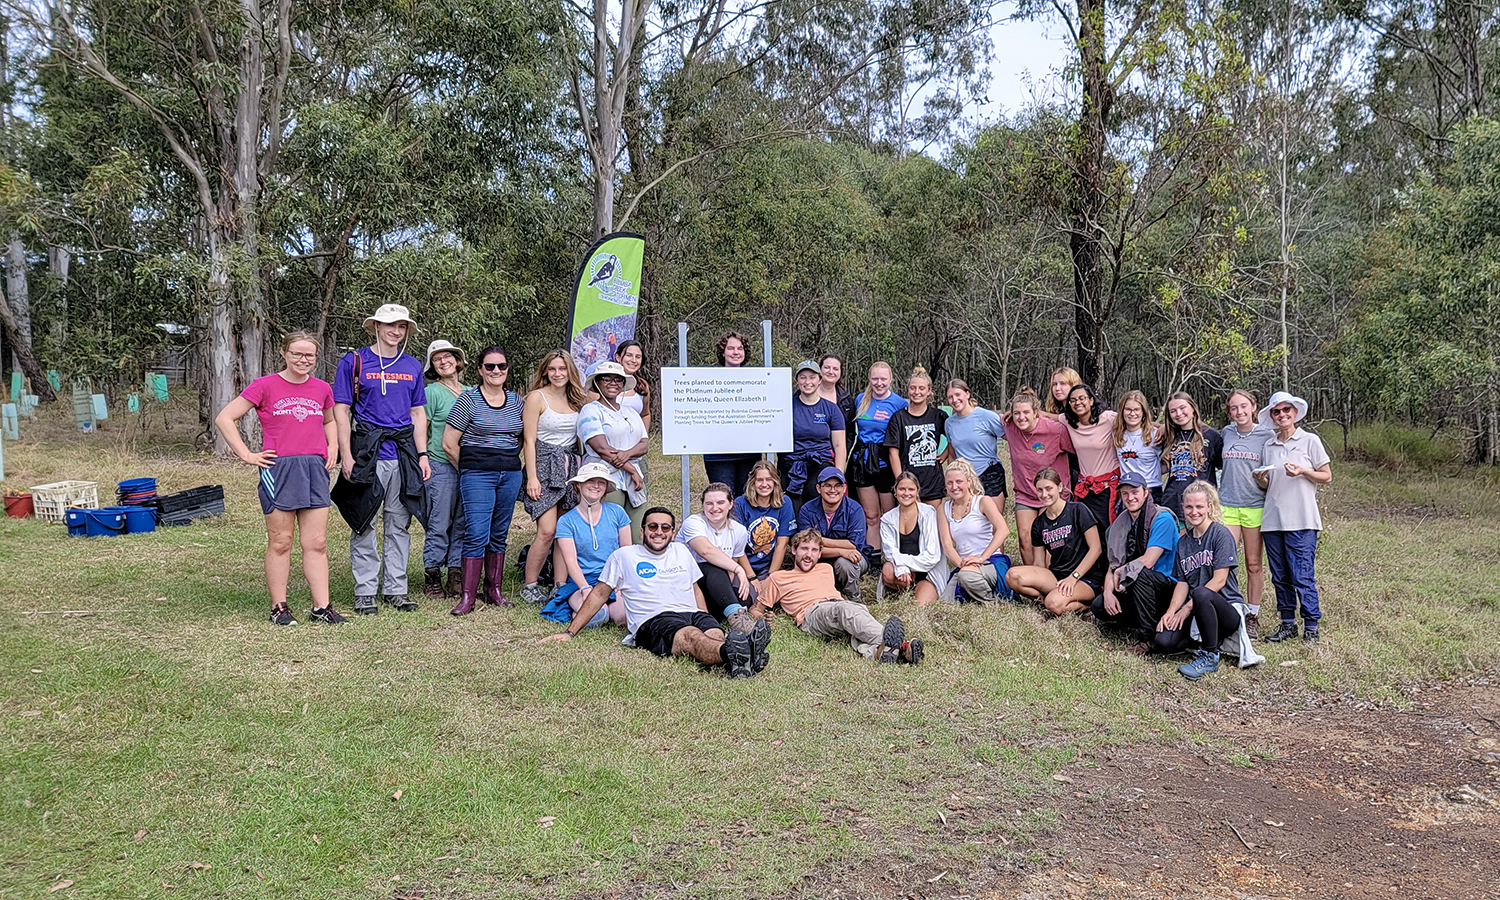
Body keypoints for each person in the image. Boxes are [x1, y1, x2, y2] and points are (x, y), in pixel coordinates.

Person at [537, 507, 772, 679]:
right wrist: (570, 632)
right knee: (690, 636)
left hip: (691, 612)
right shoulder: (624, 556)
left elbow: (695, 588)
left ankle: (740, 658)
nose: (658, 532)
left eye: (665, 527)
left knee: (713, 632)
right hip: (653, 620)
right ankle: (736, 652)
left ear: (672, 532)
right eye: (652, 526)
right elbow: (598, 594)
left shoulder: (682, 550)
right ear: (642, 531)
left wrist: (705, 617)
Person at [215, 331, 341, 626]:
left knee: (317, 542)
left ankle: (321, 608)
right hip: (279, 469)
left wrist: (332, 446)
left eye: (309, 355)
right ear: (284, 353)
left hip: (314, 469)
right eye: (296, 353)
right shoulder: (265, 386)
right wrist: (247, 454)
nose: (303, 359)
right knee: (281, 541)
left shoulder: (322, 388)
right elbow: (225, 418)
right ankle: (279, 607)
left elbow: (330, 419)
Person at [331, 303, 431, 615]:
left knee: (400, 522)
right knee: (364, 522)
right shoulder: (355, 361)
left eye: (401, 326)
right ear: (376, 326)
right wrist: (345, 454)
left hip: (403, 453)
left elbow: (417, 413)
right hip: (367, 452)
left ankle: (396, 589)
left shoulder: (413, 365)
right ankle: (365, 591)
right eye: (390, 325)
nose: (396, 331)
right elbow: (341, 410)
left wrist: (423, 454)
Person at [751, 529, 922, 664]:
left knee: (854, 623)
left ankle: (882, 653)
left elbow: (852, 548)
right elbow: (755, 610)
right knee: (846, 610)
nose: (808, 555)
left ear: (820, 554)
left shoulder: (826, 569)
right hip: (811, 614)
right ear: (794, 550)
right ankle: (899, 645)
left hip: (838, 608)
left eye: (814, 550)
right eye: (804, 549)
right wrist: (764, 621)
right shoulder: (778, 578)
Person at [443, 345, 526, 615]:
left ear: (507, 369)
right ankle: (468, 596)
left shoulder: (517, 401)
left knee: (499, 534)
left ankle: (494, 590)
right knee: (476, 533)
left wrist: (508, 460)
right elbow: (449, 443)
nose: (496, 371)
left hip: (510, 474)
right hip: (477, 474)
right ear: (480, 369)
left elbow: (523, 437)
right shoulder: (468, 400)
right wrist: (469, 468)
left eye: (501, 366)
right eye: (489, 366)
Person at [1257, 390, 1332, 644]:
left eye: (1286, 410)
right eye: (1276, 412)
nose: (1282, 415)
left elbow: (1326, 476)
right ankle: (1287, 623)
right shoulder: (1269, 445)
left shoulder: (1309, 440)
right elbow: (1270, 484)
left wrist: (1303, 471)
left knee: (1302, 574)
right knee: (1280, 575)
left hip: (1302, 519)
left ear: (1295, 412)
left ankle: (1311, 625)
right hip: (1273, 519)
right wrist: (1262, 479)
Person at [1170, 481, 1265, 679]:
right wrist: (1172, 612)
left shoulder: (1220, 534)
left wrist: (1187, 608)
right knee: (1164, 642)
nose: (1193, 511)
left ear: (1209, 507)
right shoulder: (1183, 542)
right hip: (1199, 610)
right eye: (1189, 506)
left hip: (1226, 611)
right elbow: (1182, 582)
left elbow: (1219, 581)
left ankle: (1210, 656)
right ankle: (1202, 643)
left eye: (1199, 506)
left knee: (1202, 592)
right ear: (1183, 508)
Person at [520, 350, 588, 604]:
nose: (558, 374)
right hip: (544, 468)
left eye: (562, 369)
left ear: (570, 371)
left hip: (570, 468)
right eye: (552, 369)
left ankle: (560, 583)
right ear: (545, 372)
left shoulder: (578, 400)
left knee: (564, 530)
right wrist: (532, 477)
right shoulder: (537, 398)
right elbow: (528, 440)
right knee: (546, 530)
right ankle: (530, 584)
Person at [539, 463, 632, 630]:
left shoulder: (617, 512)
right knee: (597, 616)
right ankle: (577, 608)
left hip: (611, 579)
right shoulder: (567, 521)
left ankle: (607, 605)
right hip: (582, 581)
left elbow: (626, 552)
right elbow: (571, 561)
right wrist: (585, 588)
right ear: (578, 485)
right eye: (590, 480)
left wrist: (621, 583)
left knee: (623, 617)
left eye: (601, 482)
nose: (596, 486)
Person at [1093, 475, 1179, 651]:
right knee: (1100, 605)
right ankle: (1143, 618)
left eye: (1135, 492)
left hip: (1165, 587)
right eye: (1125, 494)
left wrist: (1120, 571)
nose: (1130, 498)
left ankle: (1147, 638)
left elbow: (1148, 561)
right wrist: (1108, 592)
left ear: (1146, 492)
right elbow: (1113, 566)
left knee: (1139, 574)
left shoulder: (1162, 518)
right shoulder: (1121, 523)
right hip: (1133, 585)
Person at [1005, 467, 1105, 616]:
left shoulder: (1078, 510)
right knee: (1012, 576)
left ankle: (1085, 607)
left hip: (1084, 578)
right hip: (1057, 576)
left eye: (1048, 488)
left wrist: (1073, 578)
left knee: (1054, 603)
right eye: (1039, 490)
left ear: (1059, 487)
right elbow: (1039, 564)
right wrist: (1037, 583)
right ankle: (1046, 602)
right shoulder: (1039, 523)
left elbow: (1096, 549)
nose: (1044, 494)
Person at [1219, 389, 1272, 636]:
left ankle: (1252, 614)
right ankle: (1229, 610)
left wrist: (1263, 480)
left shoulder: (1266, 435)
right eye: (1233, 408)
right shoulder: (1227, 433)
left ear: (1253, 407)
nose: (1239, 412)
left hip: (1254, 506)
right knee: (1225, 563)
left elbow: (1270, 478)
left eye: (1243, 407)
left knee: (1253, 564)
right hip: (1227, 505)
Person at [577, 361, 649, 539]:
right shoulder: (590, 410)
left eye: (618, 380)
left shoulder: (630, 412)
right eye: (606, 379)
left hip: (633, 479)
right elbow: (602, 448)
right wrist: (631, 470)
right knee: (610, 531)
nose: (612, 383)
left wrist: (627, 455)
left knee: (636, 533)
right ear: (597, 383)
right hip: (605, 476)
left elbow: (644, 444)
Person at [1002, 388, 1074, 567]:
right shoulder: (1010, 427)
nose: (1021, 417)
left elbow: (1078, 450)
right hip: (1025, 492)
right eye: (1016, 413)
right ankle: (1032, 579)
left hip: (1051, 493)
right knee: (1025, 537)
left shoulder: (1055, 430)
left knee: (1048, 537)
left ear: (1036, 413)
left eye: (1026, 412)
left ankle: (1049, 579)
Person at [420, 339, 469, 601]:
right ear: (432, 366)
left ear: (458, 361)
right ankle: (433, 576)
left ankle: (455, 575)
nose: (443, 361)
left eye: (448, 356)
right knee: (439, 523)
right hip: (441, 463)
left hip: (470, 466)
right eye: (437, 359)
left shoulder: (473, 392)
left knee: (462, 523)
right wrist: (423, 456)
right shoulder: (432, 393)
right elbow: (422, 427)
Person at [848, 361, 907, 564]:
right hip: (863, 461)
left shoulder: (900, 403)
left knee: (889, 515)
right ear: (869, 379)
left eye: (883, 379)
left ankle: (891, 557)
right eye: (875, 378)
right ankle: (873, 558)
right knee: (871, 516)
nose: (879, 383)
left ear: (890, 379)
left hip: (885, 462)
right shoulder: (860, 400)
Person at [678, 482, 758, 620]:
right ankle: (738, 619)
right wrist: (739, 569)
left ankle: (717, 613)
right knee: (713, 568)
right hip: (687, 584)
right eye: (709, 503)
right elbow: (706, 551)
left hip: (715, 584)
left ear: (730, 504)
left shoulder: (739, 531)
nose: (715, 508)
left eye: (720, 502)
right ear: (703, 505)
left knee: (744, 599)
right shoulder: (693, 523)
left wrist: (725, 587)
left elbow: (730, 570)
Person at [934, 459, 1010, 602]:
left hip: (991, 561)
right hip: (965, 564)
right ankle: (974, 590)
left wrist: (981, 558)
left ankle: (993, 602)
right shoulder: (943, 509)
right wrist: (963, 564)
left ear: (969, 481)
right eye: (949, 483)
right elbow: (947, 545)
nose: (954, 487)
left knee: (966, 578)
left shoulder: (982, 501)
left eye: (959, 481)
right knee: (946, 601)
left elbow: (1003, 530)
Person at [795, 466, 872, 602]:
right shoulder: (806, 510)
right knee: (807, 557)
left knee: (844, 564)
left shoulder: (855, 510)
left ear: (844, 488)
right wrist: (841, 551)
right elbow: (806, 548)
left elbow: (853, 546)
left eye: (837, 486)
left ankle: (853, 598)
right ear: (819, 488)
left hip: (854, 558)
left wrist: (818, 541)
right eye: (827, 486)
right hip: (820, 558)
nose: (833, 490)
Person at [780, 360, 848, 513]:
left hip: (820, 464)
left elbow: (839, 445)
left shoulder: (831, 409)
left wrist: (838, 475)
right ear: (797, 380)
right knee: (792, 510)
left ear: (819, 380)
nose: (807, 382)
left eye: (812, 377)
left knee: (816, 509)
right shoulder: (785, 407)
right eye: (803, 377)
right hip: (792, 466)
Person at [703, 331, 762, 497]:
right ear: (723, 352)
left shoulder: (757, 380)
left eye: (740, 348)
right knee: (723, 498)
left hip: (749, 452)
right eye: (731, 348)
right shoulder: (708, 380)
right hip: (718, 455)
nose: (736, 352)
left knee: (749, 498)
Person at [884, 366, 948, 505]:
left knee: (931, 524)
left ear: (929, 391)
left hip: (932, 481)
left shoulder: (938, 416)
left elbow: (956, 437)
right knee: (910, 524)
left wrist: (945, 453)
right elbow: (893, 453)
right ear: (908, 390)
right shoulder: (898, 418)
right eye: (913, 388)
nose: (916, 392)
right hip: (908, 481)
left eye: (921, 388)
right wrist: (901, 482)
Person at [879, 472, 942, 605]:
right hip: (902, 572)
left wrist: (903, 564)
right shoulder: (887, 519)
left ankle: (918, 590)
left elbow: (932, 557)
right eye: (902, 489)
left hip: (928, 573)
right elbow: (889, 552)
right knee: (887, 570)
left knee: (918, 606)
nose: (906, 493)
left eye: (911, 489)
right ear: (895, 490)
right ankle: (903, 589)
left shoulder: (929, 513)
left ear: (917, 491)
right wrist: (902, 569)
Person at [1061, 384, 1118, 529]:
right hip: (1085, 488)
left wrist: (1161, 428)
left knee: (1108, 530)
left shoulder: (1108, 418)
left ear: (1091, 400)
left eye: (1082, 398)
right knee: (1088, 531)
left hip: (1108, 487)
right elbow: (1046, 416)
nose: (1077, 402)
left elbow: (1134, 420)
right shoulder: (1068, 421)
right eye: (1073, 400)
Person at [943, 378, 1008, 506]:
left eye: (957, 395)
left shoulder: (986, 416)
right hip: (965, 479)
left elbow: (1011, 438)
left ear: (967, 394)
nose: (954, 400)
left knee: (992, 522)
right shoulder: (949, 423)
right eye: (950, 397)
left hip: (990, 474)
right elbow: (952, 455)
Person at [1159, 392, 1223, 521]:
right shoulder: (1168, 436)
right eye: (1173, 411)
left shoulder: (1211, 436)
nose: (1178, 413)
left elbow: (1222, 466)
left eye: (1182, 408)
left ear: (1193, 408)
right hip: (1172, 503)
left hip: (1201, 505)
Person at [732, 460, 796, 587]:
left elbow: (781, 545)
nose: (764, 484)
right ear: (753, 483)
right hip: (742, 565)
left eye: (769, 479)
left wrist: (770, 578)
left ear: (775, 482)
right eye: (759, 480)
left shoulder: (785, 503)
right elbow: (737, 547)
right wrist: (751, 577)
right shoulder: (740, 504)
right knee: (746, 596)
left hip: (767, 568)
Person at [1113, 390, 1164, 503]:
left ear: (1143, 412)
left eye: (1136, 409)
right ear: (1122, 411)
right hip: (1127, 491)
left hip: (1151, 490)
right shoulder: (1116, 434)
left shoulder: (1155, 435)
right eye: (1128, 409)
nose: (1132, 413)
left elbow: (1167, 464)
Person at [819, 354, 859, 451]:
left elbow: (850, 432)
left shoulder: (847, 400)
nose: (831, 372)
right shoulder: (803, 395)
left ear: (841, 372)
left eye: (835, 369)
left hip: (835, 456)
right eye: (827, 368)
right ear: (819, 370)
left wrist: (841, 456)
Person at [612, 339, 653, 431]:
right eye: (629, 355)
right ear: (618, 357)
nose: (633, 360)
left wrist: (643, 439)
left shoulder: (642, 385)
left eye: (638, 357)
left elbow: (645, 414)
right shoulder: (603, 384)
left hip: (635, 443)